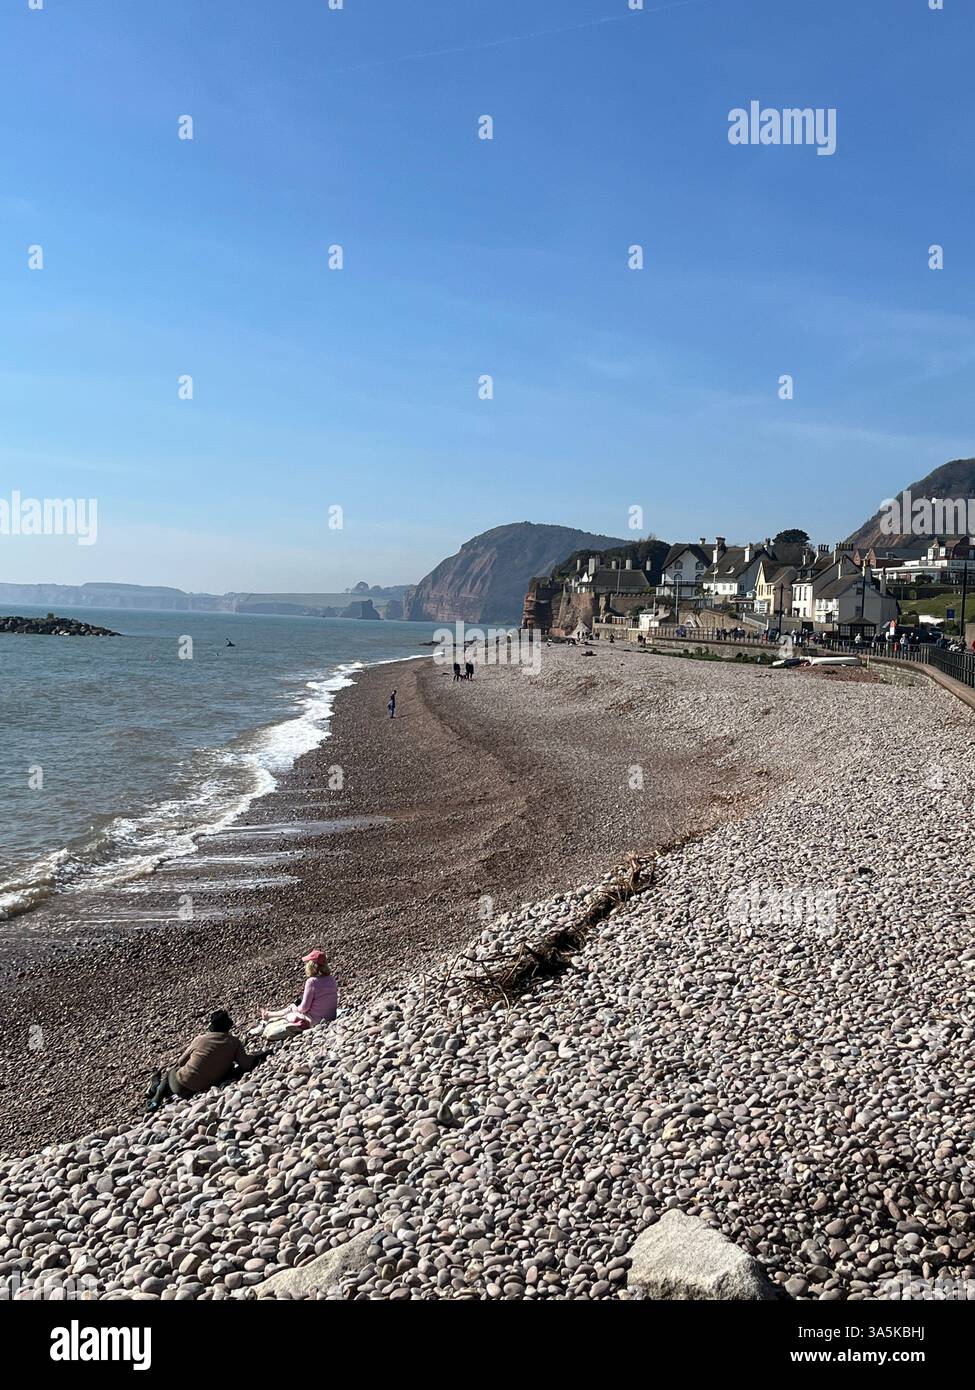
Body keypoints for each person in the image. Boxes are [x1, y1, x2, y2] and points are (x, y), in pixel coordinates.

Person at [146, 1011, 262, 1111]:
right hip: (205, 1086)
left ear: (211, 1026)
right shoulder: (234, 1042)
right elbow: (245, 1065)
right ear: (228, 1026)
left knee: (171, 1071)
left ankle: (156, 1098)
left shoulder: (200, 1039)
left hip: (181, 1086)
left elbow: (181, 1062)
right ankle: (155, 1088)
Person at [261, 950, 338, 1042]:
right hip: (331, 1016)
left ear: (311, 965)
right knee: (292, 1008)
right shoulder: (331, 979)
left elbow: (304, 1008)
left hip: (315, 1021)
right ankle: (268, 1015)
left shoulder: (312, 981)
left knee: (291, 1009)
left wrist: (296, 1008)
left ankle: (268, 1015)